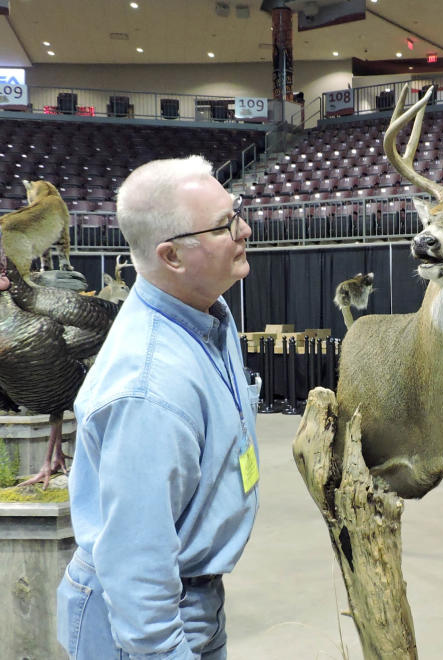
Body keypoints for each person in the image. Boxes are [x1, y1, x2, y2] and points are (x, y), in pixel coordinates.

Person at [57, 155, 261, 659]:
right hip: (149, 620)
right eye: (225, 225)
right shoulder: (150, 389)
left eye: (236, 211)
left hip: (194, 596)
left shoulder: (204, 312)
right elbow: (137, 570)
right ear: (171, 257)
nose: (246, 229)